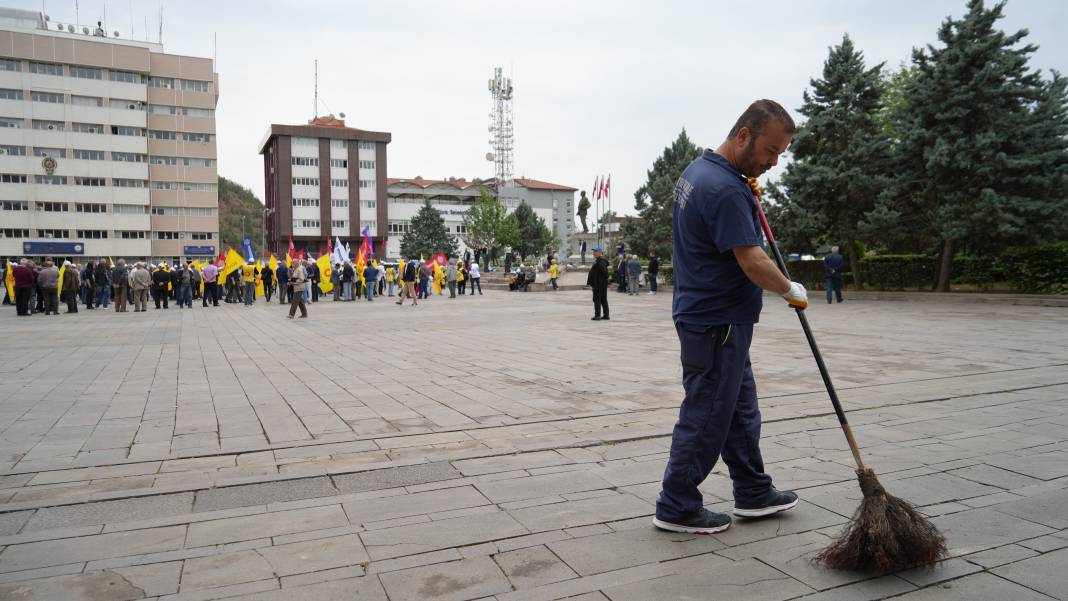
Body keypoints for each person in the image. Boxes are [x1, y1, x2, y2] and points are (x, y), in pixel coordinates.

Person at [653, 99, 809, 535]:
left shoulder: (700, 172)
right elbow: (753, 261)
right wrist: (788, 289)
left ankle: (753, 490)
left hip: (716, 318)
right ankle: (677, 504)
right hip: (716, 321)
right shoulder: (724, 188)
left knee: (739, 410)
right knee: (707, 414)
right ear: (743, 135)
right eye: (770, 151)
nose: (773, 163)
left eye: (780, 154)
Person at [587, 246, 609, 320]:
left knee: (597, 300)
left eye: (595, 251)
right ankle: (606, 315)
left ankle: (597, 315)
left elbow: (605, 273)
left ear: (600, 252)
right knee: (602, 299)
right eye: (593, 251)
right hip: (599, 284)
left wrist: (599, 281)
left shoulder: (601, 261)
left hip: (599, 285)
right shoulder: (598, 261)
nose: (593, 253)